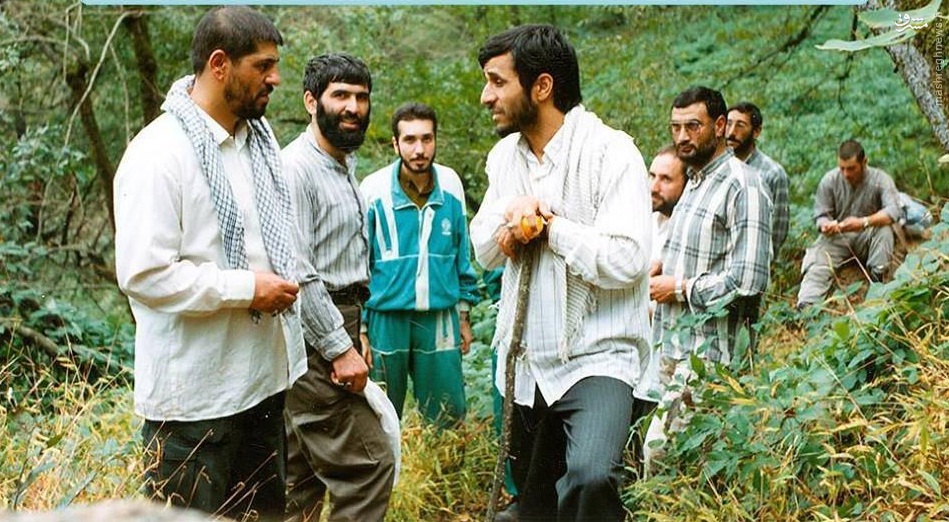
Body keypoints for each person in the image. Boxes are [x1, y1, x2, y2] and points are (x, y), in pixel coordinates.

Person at [113, 6, 305, 519]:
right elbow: (144, 274)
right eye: (263, 66)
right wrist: (248, 289)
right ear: (219, 65)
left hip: (263, 388)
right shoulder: (158, 154)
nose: (275, 78)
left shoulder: (259, 144)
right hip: (193, 408)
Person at [470, 24, 652, 522]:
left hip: (598, 356)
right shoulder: (504, 159)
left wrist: (550, 228)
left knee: (591, 478)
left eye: (497, 81)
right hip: (527, 366)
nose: (487, 96)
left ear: (542, 86)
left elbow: (628, 259)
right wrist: (512, 225)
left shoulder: (612, 152)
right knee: (535, 508)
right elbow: (483, 249)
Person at [281, 53, 395, 522]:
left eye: (361, 97)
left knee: (299, 478)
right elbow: (298, 270)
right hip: (312, 334)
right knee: (369, 466)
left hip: (341, 321)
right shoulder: (296, 169)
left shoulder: (342, 163)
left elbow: (343, 260)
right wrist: (338, 347)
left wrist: (357, 332)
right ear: (311, 101)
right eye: (340, 95)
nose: (353, 107)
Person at [647, 86, 771, 462]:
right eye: (676, 127)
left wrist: (680, 288)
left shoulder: (744, 185)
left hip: (711, 354)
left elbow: (748, 280)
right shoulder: (695, 181)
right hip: (673, 345)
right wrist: (662, 265)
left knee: (658, 454)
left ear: (719, 126)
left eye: (693, 126)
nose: (682, 136)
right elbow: (700, 252)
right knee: (688, 464)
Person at [359, 102, 479, 428]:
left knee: (447, 415)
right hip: (386, 316)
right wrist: (361, 329)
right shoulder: (373, 190)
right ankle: (387, 464)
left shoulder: (450, 184)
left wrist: (464, 314)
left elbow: (461, 254)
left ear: (436, 140)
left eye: (427, 139)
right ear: (395, 144)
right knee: (378, 413)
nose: (419, 149)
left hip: (439, 315)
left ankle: (442, 462)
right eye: (410, 140)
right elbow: (359, 263)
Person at [795, 139, 901, 309]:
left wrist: (863, 222)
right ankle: (807, 304)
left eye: (851, 168)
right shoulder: (830, 180)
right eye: (842, 168)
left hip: (868, 235)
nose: (846, 174)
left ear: (864, 162)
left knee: (885, 231)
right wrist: (825, 225)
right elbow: (821, 215)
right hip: (839, 236)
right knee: (818, 256)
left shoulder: (880, 179)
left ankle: (878, 281)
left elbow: (893, 211)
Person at [727, 102, 790, 259]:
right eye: (728, 124)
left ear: (756, 132)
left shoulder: (773, 173)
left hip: (753, 259)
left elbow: (778, 229)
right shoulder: (718, 167)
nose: (731, 132)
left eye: (740, 125)